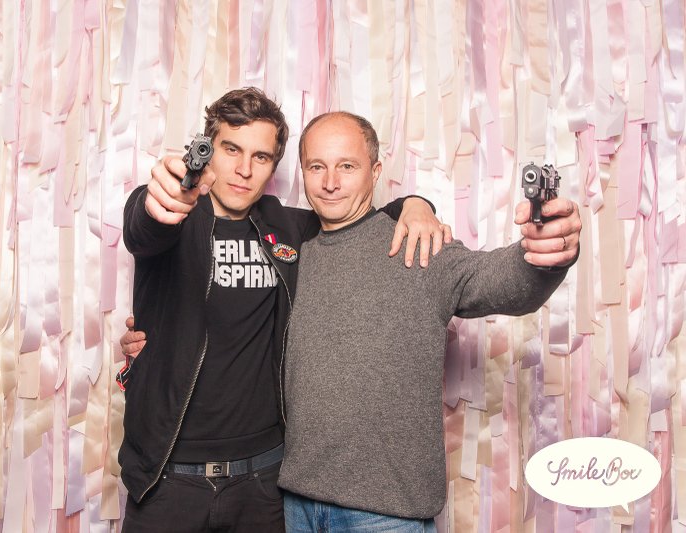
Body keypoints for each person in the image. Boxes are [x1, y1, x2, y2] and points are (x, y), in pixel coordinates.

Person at [119, 88, 449, 533]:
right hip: (168, 479)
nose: (244, 169)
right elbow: (143, 223)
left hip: (262, 484)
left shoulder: (288, 227)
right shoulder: (170, 214)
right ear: (208, 149)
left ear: (274, 167)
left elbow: (360, 217)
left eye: (260, 157)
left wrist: (416, 204)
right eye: (231, 149)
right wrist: (159, 199)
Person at [276, 111, 582, 532]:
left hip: (386, 516)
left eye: (346, 166)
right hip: (297, 503)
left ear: (375, 172)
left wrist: (547, 252)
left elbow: (502, 281)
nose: (330, 181)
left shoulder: (416, 242)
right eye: (316, 167)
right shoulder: (292, 252)